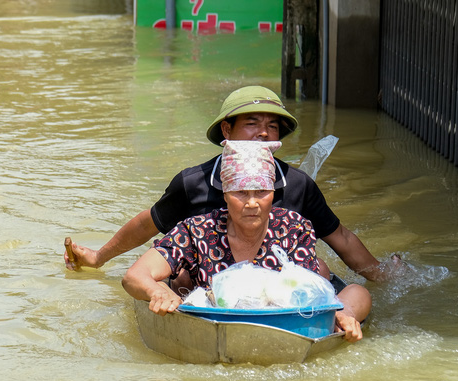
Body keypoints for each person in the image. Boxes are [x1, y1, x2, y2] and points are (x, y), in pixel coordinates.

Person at [65, 85, 401, 282]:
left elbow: (339, 236)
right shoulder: (194, 182)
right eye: (251, 123)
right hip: (207, 284)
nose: (263, 132)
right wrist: (99, 257)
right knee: (180, 277)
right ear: (227, 131)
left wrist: (382, 276)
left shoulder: (297, 185)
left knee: (323, 272)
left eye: (272, 126)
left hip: (278, 288)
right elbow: (147, 223)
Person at [121, 140, 370, 342]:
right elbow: (134, 275)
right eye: (241, 193)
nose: (252, 203)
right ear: (225, 195)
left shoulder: (294, 227)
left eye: (261, 193)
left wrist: (340, 315)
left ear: (273, 195)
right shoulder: (197, 230)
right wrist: (157, 292)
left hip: (283, 324)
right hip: (215, 324)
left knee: (357, 292)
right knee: (172, 283)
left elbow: (308, 293)